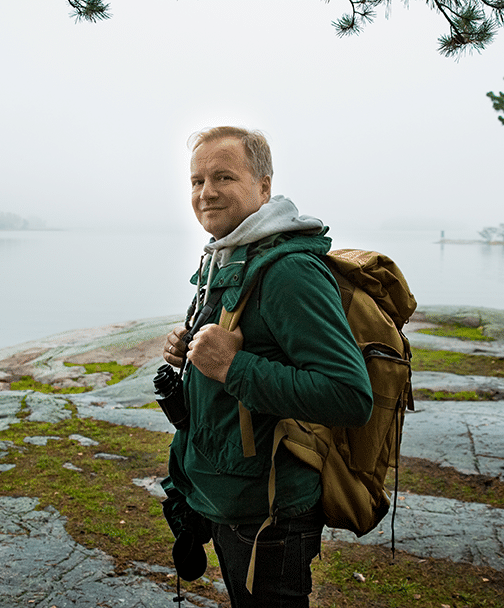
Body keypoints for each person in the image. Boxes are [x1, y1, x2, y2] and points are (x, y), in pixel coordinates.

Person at [160, 126, 373, 607]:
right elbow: (245, 345)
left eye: (223, 177)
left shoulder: (288, 270)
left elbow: (348, 394)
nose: (206, 192)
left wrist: (232, 367)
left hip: (270, 514)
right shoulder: (228, 255)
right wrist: (190, 351)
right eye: (196, 181)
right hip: (229, 497)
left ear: (263, 186)